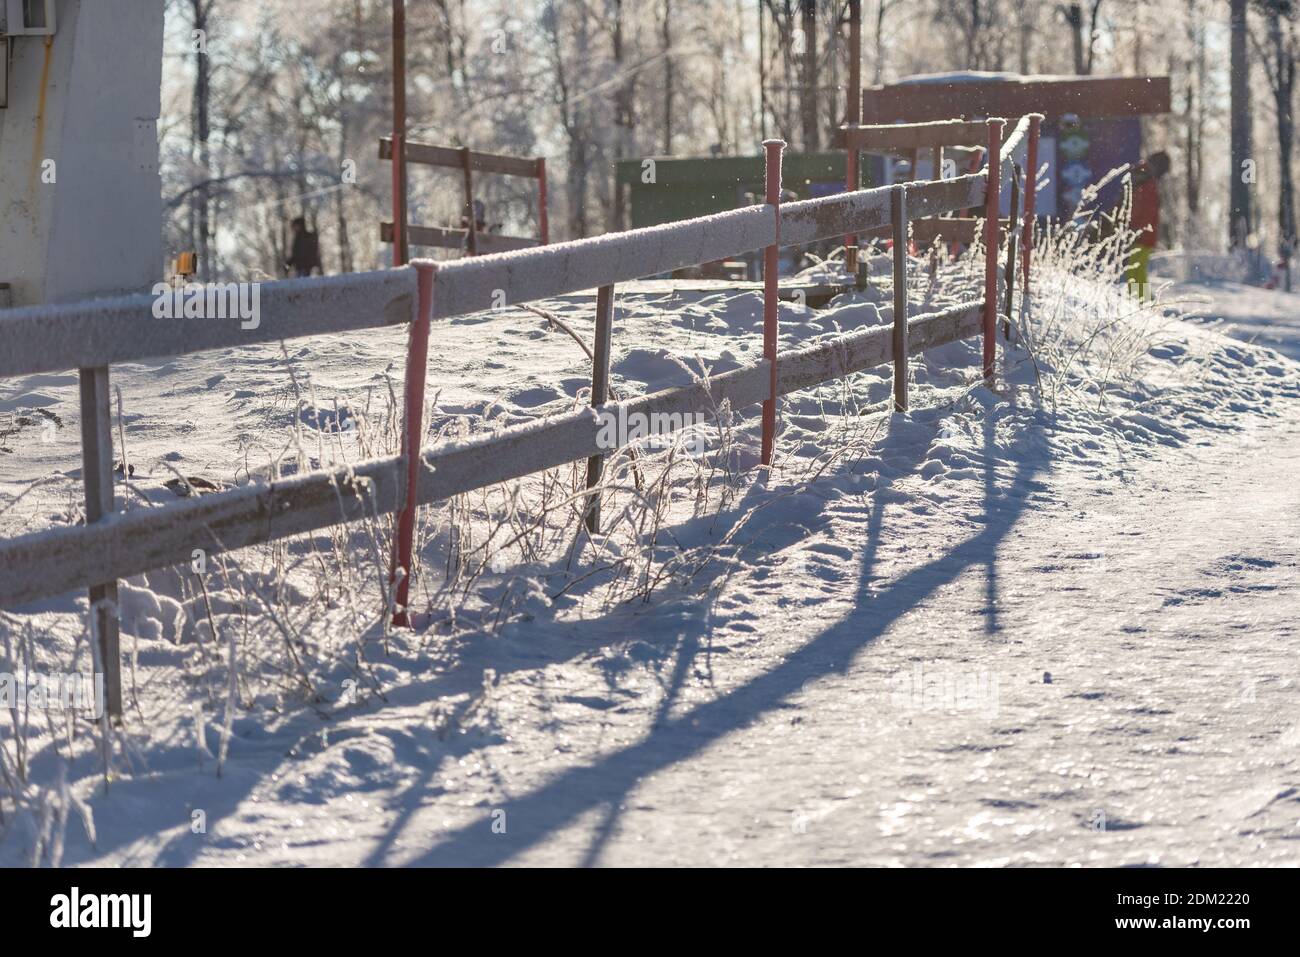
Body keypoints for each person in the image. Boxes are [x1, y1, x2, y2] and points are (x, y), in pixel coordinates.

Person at [1125, 151, 1170, 300]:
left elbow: (1140, 209)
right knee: (1136, 272)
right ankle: (1144, 304)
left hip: (1140, 233)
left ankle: (1142, 304)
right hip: (1143, 234)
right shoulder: (1148, 183)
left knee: (1135, 272)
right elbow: (1146, 211)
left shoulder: (1142, 179)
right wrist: (1139, 229)